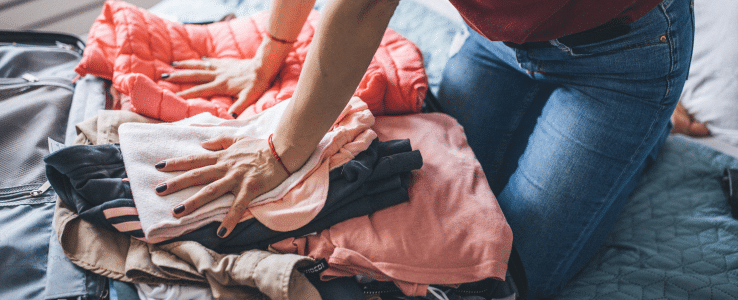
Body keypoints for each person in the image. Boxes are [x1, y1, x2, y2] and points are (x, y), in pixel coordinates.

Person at [152, 0, 694, 298]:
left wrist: (277, 154)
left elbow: (361, 7)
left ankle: (648, 128)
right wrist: (270, 52)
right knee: (431, 190)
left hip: (618, 56)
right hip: (499, 42)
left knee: (503, 276)